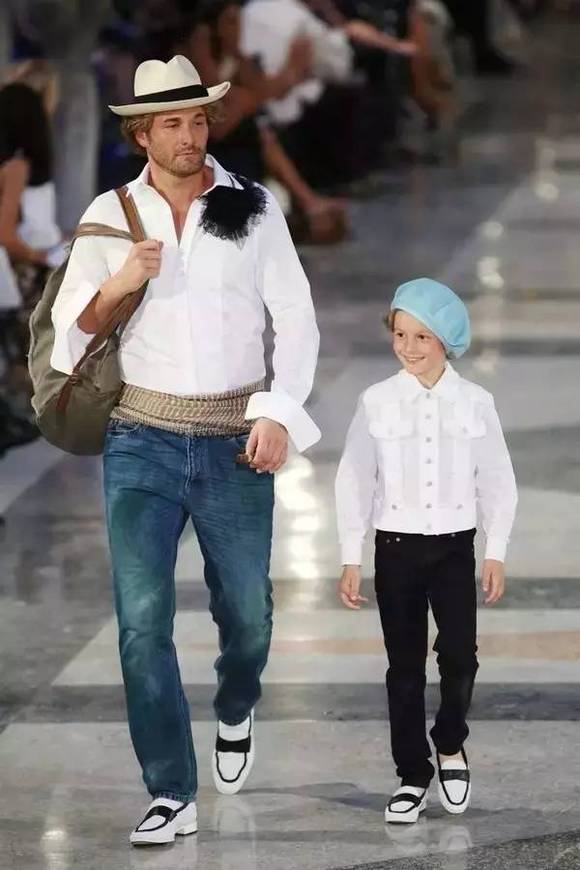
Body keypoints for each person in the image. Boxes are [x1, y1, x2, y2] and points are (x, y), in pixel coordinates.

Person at [50, 55, 320, 846]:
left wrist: (278, 412)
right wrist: (118, 284)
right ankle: (170, 790)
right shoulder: (110, 216)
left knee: (251, 618)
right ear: (142, 134)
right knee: (142, 622)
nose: (189, 135)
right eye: (172, 123)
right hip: (141, 440)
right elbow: (67, 340)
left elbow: (296, 317)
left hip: (238, 439)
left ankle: (236, 704)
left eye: (198, 119)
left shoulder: (253, 206)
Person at [335, 278, 517, 824]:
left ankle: (450, 740)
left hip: (455, 549)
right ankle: (412, 774)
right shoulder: (376, 401)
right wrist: (351, 555)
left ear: (446, 340)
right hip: (395, 550)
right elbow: (354, 478)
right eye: (400, 335)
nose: (408, 347)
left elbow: (497, 479)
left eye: (422, 337)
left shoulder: (476, 402)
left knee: (460, 655)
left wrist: (496, 550)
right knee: (404, 666)